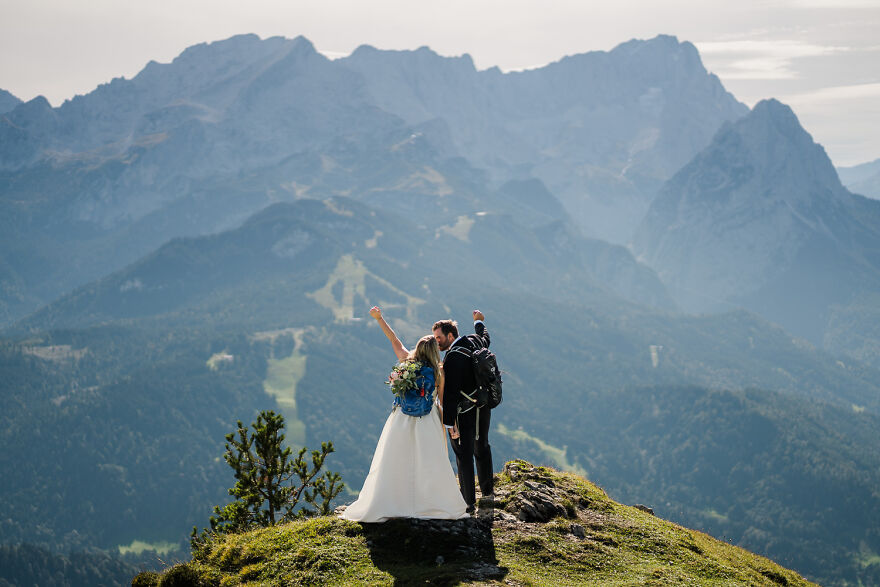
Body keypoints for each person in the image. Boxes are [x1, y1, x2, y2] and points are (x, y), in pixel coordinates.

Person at [340, 306, 469, 522]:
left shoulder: (406, 362)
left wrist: (379, 318)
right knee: (430, 461)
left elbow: (394, 340)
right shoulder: (439, 371)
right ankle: (430, 502)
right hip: (427, 419)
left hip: (400, 418)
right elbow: (443, 402)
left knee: (395, 459)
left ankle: (392, 501)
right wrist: (452, 426)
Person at [433, 310, 494, 513]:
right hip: (483, 405)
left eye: (439, 338)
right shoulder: (474, 340)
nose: (437, 342)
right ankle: (487, 493)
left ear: (450, 336)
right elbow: (486, 338)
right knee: (482, 446)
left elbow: (450, 394)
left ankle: (468, 502)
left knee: (463, 454)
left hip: (464, 412)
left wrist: (449, 424)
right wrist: (478, 322)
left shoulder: (452, 358)